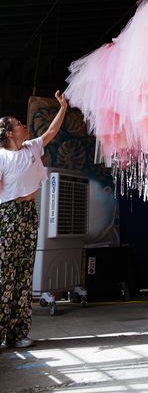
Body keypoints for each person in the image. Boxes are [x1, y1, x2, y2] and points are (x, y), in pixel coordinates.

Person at [0, 90, 68, 350]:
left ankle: (18, 333)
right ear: (8, 132)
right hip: (7, 215)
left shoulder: (31, 148)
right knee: (4, 275)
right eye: (18, 124)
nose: (24, 126)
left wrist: (63, 108)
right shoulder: (1, 157)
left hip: (29, 214)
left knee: (24, 273)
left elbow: (50, 132)